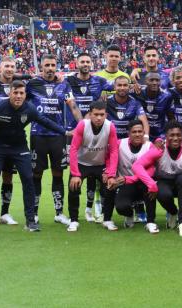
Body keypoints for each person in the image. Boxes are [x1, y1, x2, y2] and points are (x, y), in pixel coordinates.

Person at [0, 80, 68, 232]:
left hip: (19, 147)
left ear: (25, 94)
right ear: (10, 93)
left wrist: (64, 132)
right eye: (15, 92)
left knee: (28, 178)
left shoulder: (30, 109)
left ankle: (30, 221)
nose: (18, 96)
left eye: (21, 93)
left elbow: (44, 121)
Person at [27, 54, 82, 225]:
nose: (50, 68)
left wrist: (81, 125)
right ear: (41, 66)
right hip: (38, 135)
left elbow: (72, 106)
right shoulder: (33, 84)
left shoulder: (63, 86)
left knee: (58, 174)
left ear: (56, 66)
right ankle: (34, 213)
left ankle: (59, 212)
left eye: (53, 65)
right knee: (36, 174)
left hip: (58, 137)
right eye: (47, 65)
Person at [66, 52, 113, 222]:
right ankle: (76, 214)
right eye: (82, 61)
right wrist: (83, 123)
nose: (85, 64)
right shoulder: (68, 81)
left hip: (97, 127)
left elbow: (118, 85)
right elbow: (71, 103)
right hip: (76, 131)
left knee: (95, 166)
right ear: (76, 63)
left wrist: (134, 78)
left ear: (91, 63)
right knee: (78, 166)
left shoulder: (99, 81)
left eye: (88, 61)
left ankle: (93, 206)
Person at [0, 57, 33, 226]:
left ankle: (5, 213)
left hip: (14, 139)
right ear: (0, 67)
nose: (9, 69)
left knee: (8, 177)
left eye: (12, 66)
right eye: (6, 66)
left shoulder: (20, 86)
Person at [67, 101, 118, 232]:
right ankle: (73, 221)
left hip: (100, 165)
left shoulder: (110, 126)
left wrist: (111, 174)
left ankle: (107, 219)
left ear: (106, 114)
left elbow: (113, 151)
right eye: (96, 114)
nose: (99, 118)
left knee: (111, 186)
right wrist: (75, 174)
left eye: (102, 114)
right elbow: (73, 149)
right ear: (90, 114)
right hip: (82, 163)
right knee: (73, 187)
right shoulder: (82, 125)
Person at [106, 119, 158, 233]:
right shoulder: (120, 144)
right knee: (121, 207)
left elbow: (151, 171)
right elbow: (109, 158)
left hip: (143, 183)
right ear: (129, 133)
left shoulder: (150, 146)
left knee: (151, 186)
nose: (138, 134)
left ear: (144, 132)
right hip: (125, 185)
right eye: (134, 132)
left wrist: (129, 179)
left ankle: (151, 222)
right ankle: (129, 214)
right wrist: (108, 173)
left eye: (140, 131)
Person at [131, 72, 172, 141]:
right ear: (146, 81)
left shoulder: (166, 96)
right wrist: (130, 85)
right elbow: (122, 90)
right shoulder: (138, 91)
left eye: (157, 80)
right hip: (141, 133)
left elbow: (170, 117)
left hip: (160, 134)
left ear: (160, 82)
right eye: (151, 80)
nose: (154, 83)